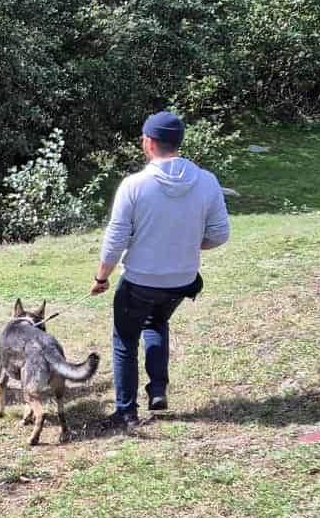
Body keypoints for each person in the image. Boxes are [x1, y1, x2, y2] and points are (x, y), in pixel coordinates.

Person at [90, 110, 230, 429]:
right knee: (156, 321)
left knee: (125, 340)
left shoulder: (134, 185)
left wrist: (101, 277)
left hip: (140, 280)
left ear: (147, 143)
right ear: (177, 142)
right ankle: (157, 390)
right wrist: (188, 245)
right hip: (182, 281)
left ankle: (126, 411)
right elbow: (220, 233)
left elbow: (115, 240)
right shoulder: (207, 182)